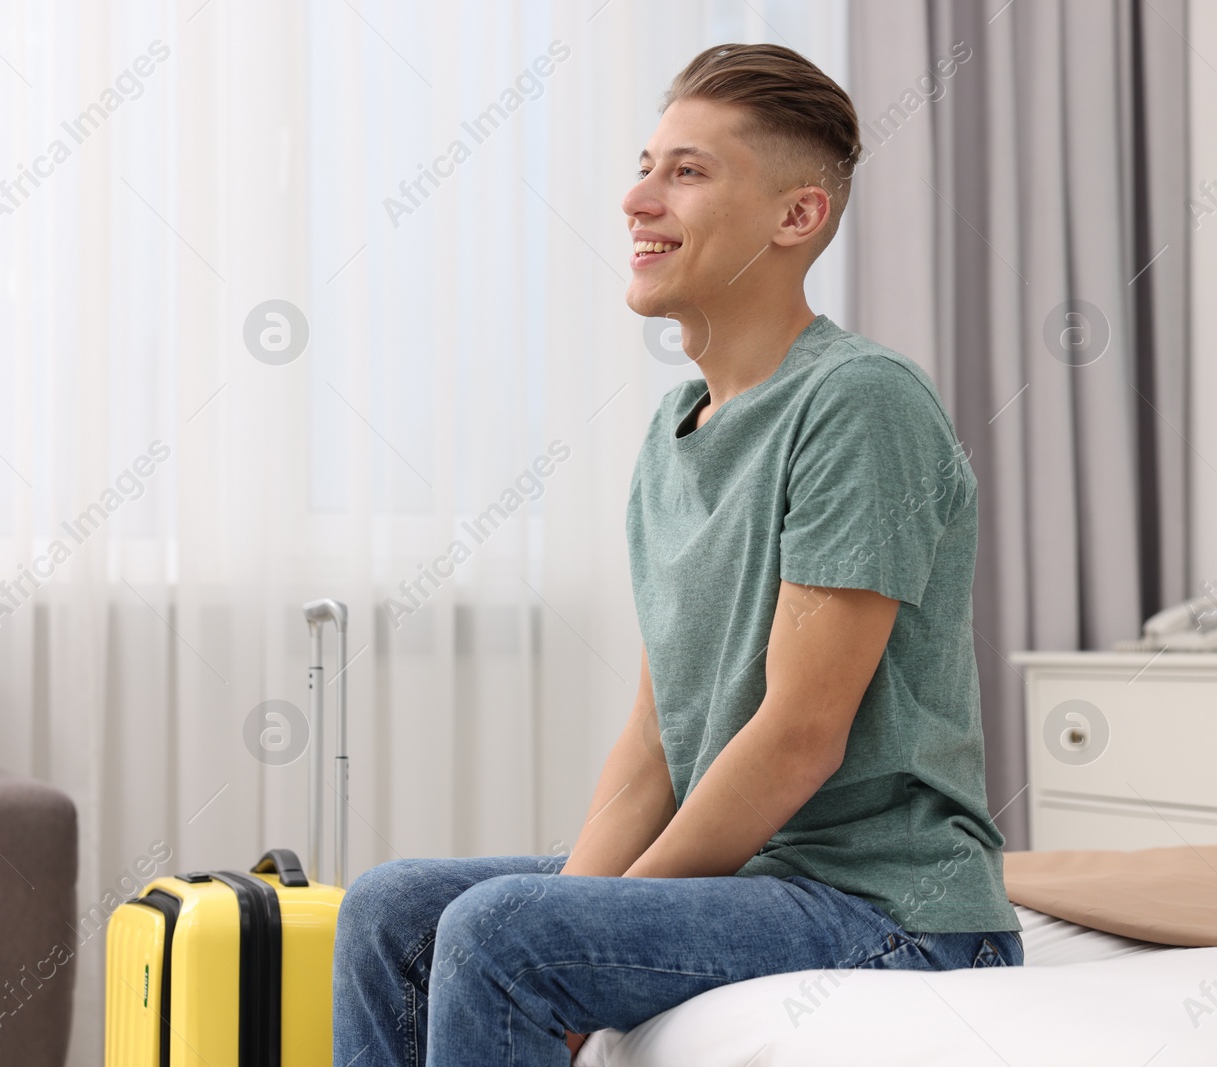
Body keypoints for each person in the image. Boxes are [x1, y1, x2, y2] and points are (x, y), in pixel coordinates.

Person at [333, 42, 1023, 1067]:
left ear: (798, 216)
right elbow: (656, 745)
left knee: (501, 931)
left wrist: (563, 930)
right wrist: (576, 910)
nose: (636, 198)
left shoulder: (859, 403)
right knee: (396, 906)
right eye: (645, 164)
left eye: (686, 172)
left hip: (896, 910)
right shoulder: (675, 431)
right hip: (761, 881)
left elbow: (796, 737)